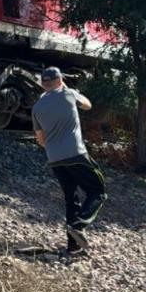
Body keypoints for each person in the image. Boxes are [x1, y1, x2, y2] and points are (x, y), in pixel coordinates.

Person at [32, 66, 106, 259]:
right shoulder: (68, 93)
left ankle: (73, 247)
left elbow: (40, 139)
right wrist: (68, 89)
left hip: (54, 158)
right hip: (75, 153)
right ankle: (78, 225)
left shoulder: (37, 107)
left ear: (43, 84)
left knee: (70, 198)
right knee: (98, 191)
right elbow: (88, 105)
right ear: (59, 80)